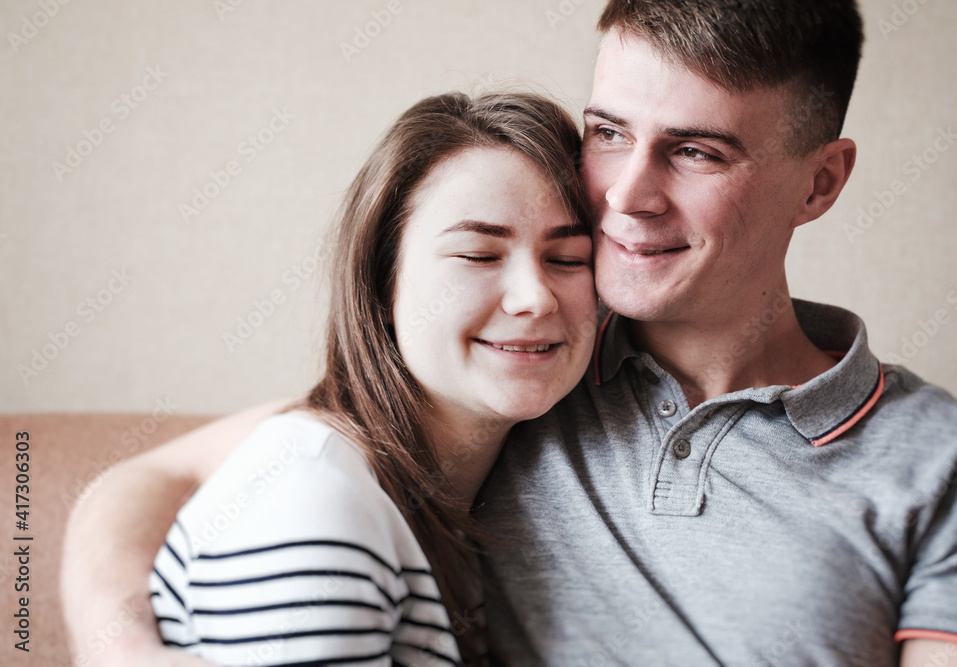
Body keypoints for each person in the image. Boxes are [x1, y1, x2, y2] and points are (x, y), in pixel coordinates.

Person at [63, 1, 957, 665]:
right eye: (607, 131)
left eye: (696, 150)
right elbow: (155, 478)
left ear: (821, 181)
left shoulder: (956, 464)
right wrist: (120, 649)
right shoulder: (512, 374)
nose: (627, 195)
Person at [63, 91, 598, 667]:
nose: (535, 297)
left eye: (568, 259)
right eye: (477, 255)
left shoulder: (425, 479)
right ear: (381, 285)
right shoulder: (317, 500)